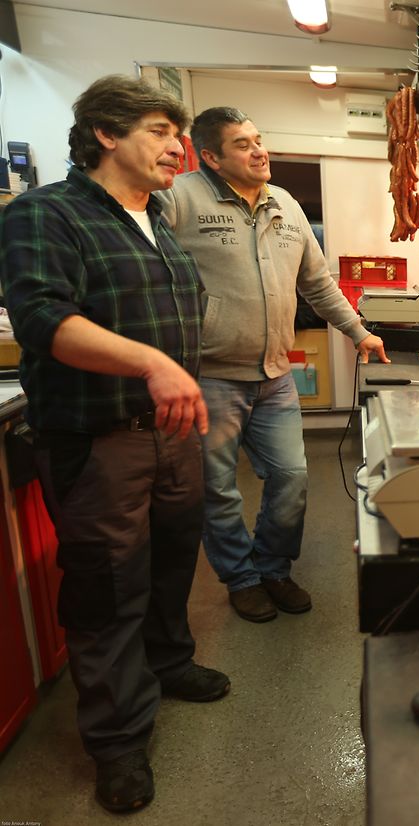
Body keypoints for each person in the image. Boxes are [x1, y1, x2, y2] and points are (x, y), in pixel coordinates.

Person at [0, 75, 229, 813]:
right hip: (99, 438)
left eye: (179, 135)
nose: (177, 148)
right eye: (161, 132)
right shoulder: (46, 213)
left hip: (173, 436)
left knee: (171, 563)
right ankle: (118, 740)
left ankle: (169, 663)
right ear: (105, 133)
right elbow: (42, 317)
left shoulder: (155, 219)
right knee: (106, 587)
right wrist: (153, 364)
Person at [155, 107, 388, 623]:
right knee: (218, 490)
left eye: (259, 140)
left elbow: (318, 282)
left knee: (292, 477)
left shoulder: (285, 203)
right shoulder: (178, 198)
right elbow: (146, 271)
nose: (259, 151)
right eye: (243, 144)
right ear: (211, 156)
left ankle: (274, 568)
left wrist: (359, 332)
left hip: (275, 376)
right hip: (210, 377)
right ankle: (241, 580)